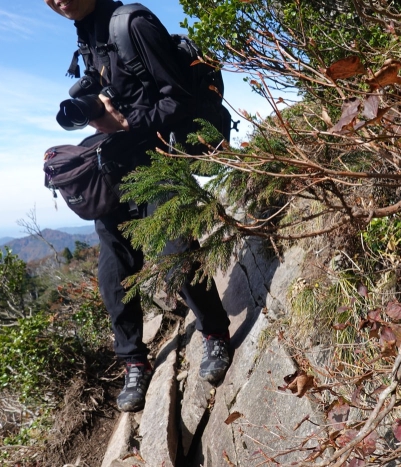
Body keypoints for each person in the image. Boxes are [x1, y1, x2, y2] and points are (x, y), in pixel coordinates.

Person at [44, 0, 232, 412]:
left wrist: (128, 122)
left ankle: (216, 334)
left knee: (177, 250)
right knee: (113, 270)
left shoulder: (132, 23)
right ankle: (133, 361)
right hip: (118, 163)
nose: (59, 1)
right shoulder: (87, 32)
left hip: (159, 157)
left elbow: (177, 99)